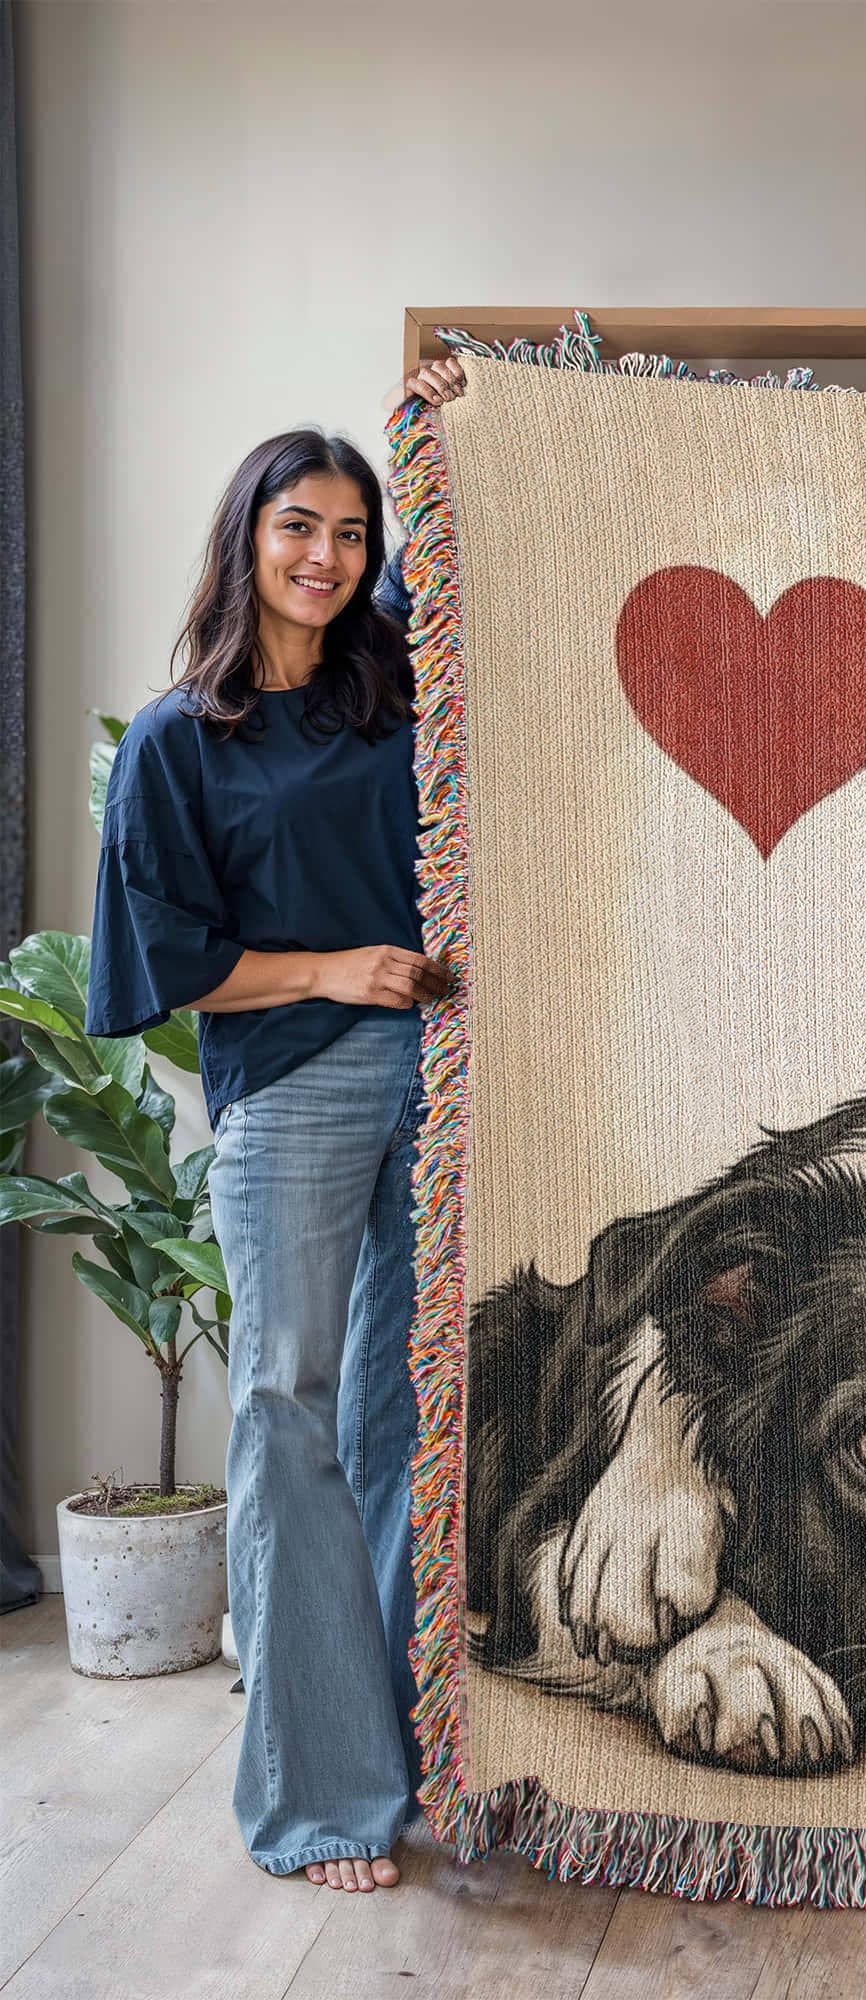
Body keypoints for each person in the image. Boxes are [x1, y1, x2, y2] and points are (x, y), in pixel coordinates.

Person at [86, 428, 450, 1892]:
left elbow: (473, 555)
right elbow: (160, 964)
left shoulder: (396, 684)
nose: (326, 557)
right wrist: (331, 970)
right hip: (291, 1093)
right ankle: (314, 1800)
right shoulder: (184, 737)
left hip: (438, 1082)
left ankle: (391, 1754)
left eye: (351, 535)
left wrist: (434, 422)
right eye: (298, 527)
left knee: (402, 1418)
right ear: (247, 537)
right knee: (288, 1414)